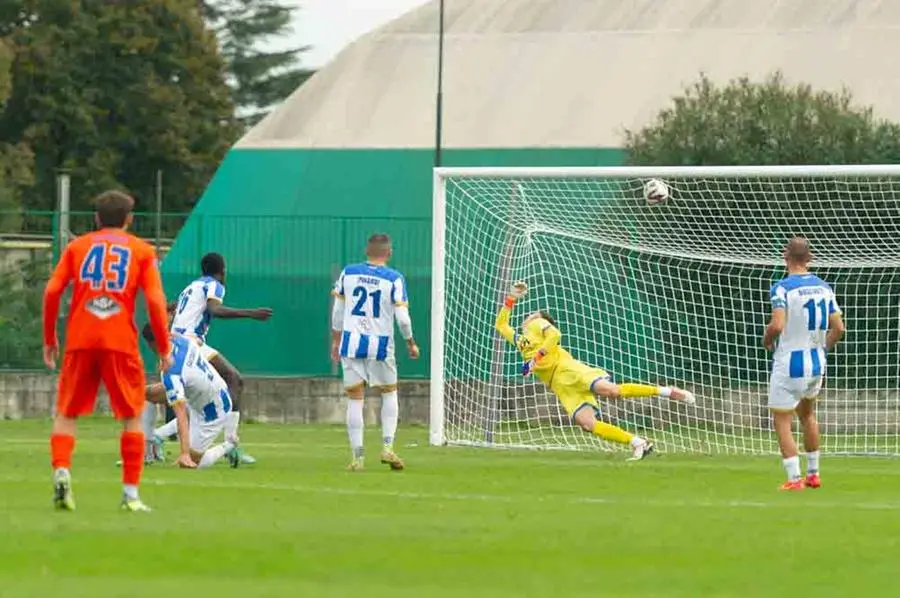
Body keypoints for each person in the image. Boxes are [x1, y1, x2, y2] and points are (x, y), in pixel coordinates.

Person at [42, 190, 171, 512]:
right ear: (129, 219)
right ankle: (130, 495)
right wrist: (165, 347)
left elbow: (52, 290)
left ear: (96, 218)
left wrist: (49, 339)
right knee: (131, 415)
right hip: (119, 341)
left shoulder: (77, 247)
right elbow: (155, 302)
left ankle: (62, 472)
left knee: (67, 412)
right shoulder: (141, 251)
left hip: (80, 339)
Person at [496, 281, 695, 460]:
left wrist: (537, 358)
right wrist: (511, 298)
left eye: (534, 315)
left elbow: (555, 334)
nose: (530, 316)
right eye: (531, 315)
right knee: (587, 424)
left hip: (568, 369)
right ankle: (638, 443)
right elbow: (501, 324)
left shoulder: (538, 325)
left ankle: (668, 391)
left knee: (612, 391)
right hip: (559, 385)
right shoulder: (520, 340)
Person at [164, 252, 271, 464]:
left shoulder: (192, 286)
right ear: (222, 271)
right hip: (190, 343)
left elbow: (179, 311)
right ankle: (231, 443)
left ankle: (156, 437)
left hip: (176, 341)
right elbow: (215, 309)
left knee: (190, 392)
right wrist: (251, 313)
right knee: (234, 379)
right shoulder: (214, 285)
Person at [331, 233, 419, 471]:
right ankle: (388, 448)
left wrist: (336, 340)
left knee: (355, 399)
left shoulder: (348, 272)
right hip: (380, 345)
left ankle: (357, 458)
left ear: (366, 251)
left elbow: (338, 311)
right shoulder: (394, 279)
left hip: (351, 343)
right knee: (389, 393)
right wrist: (410, 341)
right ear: (389, 253)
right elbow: (402, 318)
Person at [763, 237, 845, 491]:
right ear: (810, 258)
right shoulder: (824, 287)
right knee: (808, 415)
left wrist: (767, 339)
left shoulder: (782, 288)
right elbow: (839, 328)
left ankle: (794, 479)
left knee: (781, 419)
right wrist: (822, 348)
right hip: (817, 362)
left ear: (785, 257)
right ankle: (814, 474)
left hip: (789, 362)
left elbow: (777, 324)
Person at [142, 330, 241, 469]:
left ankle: (229, 445)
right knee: (147, 393)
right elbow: (198, 341)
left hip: (213, 412)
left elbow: (181, 413)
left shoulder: (172, 373)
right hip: (209, 393)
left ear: (150, 345)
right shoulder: (182, 341)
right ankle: (146, 449)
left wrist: (185, 453)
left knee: (193, 464)